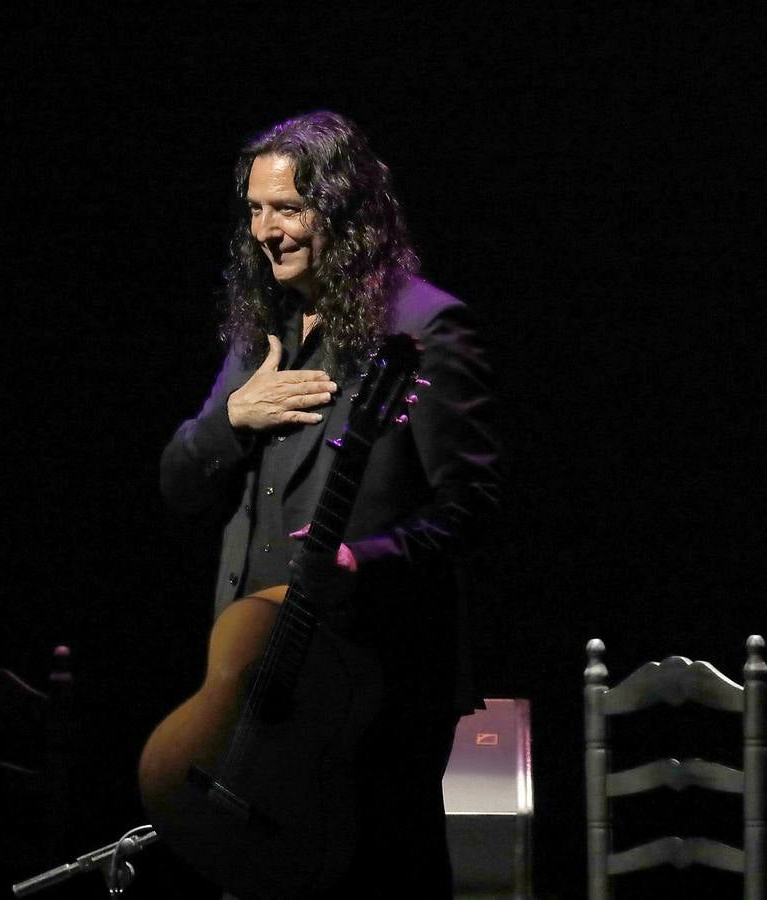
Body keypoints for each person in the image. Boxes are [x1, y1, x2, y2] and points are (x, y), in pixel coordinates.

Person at [159, 111, 503, 897]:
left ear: (342, 211)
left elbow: (475, 505)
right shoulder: (264, 336)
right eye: (253, 209)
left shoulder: (424, 326)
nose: (264, 232)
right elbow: (178, 486)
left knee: (377, 874)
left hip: (371, 679)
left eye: (285, 208)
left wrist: (361, 560)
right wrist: (229, 421)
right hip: (257, 677)